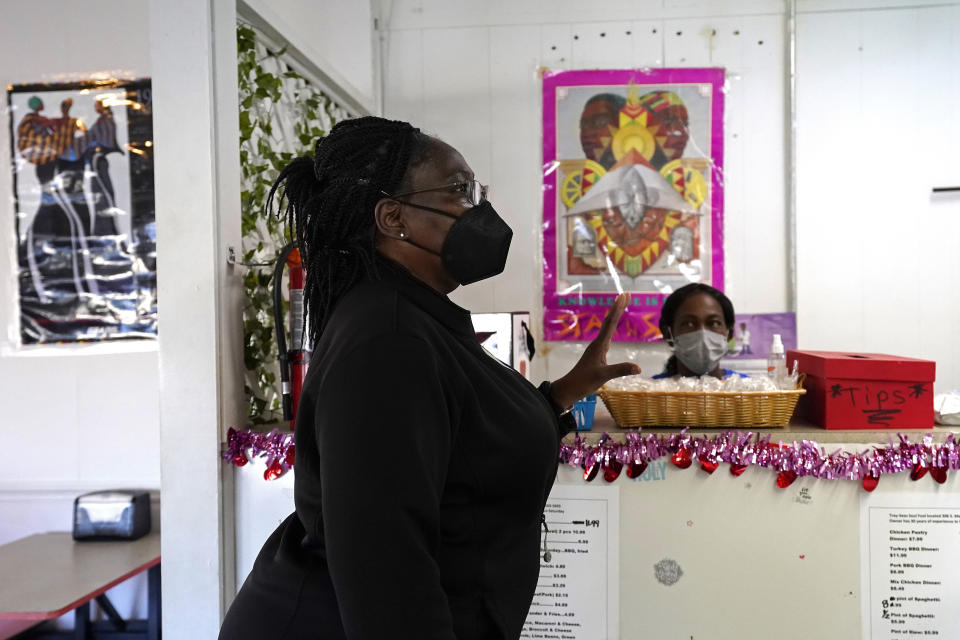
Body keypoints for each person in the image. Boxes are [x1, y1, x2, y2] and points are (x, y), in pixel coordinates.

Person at [218, 117, 639, 640]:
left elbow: (468, 453)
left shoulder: (414, 318)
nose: (479, 208)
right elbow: (386, 567)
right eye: (461, 190)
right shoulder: (388, 339)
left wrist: (566, 392)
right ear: (393, 217)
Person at [654, 282, 744, 379]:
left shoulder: (750, 390)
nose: (702, 333)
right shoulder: (647, 390)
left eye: (714, 323)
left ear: (729, 335)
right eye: (689, 324)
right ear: (668, 334)